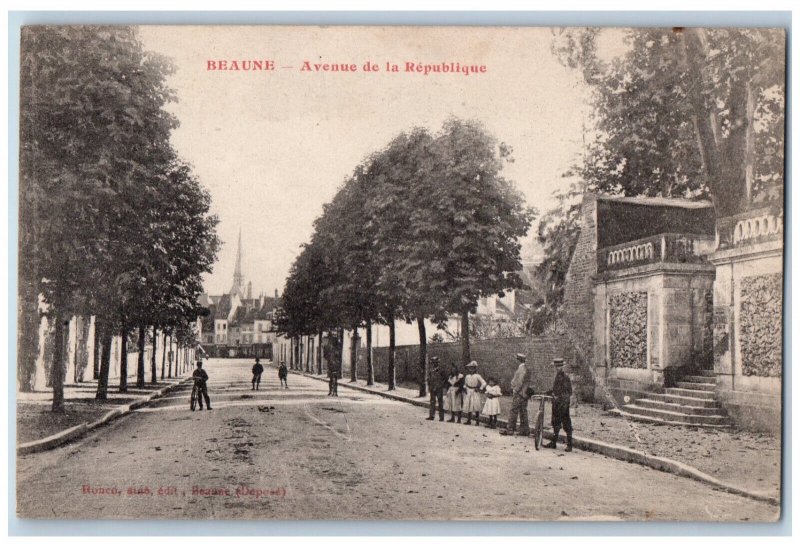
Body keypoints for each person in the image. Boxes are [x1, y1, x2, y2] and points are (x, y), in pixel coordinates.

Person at [544, 358, 573, 452]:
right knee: (556, 423)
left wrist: (560, 399)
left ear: (562, 367)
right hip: (557, 403)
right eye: (556, 367)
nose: (557, 368)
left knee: (566, 423)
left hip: (563, 404)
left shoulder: (565, 377)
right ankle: (554, 442)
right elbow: (556, 390)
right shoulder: (558, 376)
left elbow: (568, 392)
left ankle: (569, 445)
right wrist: (549, 392)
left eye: (559, 367)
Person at [500, 353, 531, 436]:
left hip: (519, 393)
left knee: (513, 411)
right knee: (523, 411)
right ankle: (525, 430)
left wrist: (516, 390)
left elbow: (520, 381)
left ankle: (510, 429)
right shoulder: (526, 369)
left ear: (518, 360)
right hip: (524, 394)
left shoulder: (521, 369)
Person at [462, 361, 487, 425]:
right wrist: (465, 388)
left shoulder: (477, 376)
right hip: (469, 391)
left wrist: (480, 388)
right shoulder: (467, 376)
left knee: (476, 405)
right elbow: (465, 384)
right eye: (470, 368)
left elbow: (484, 383)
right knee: (469, 405)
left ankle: (477, 421)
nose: (471, 369)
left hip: (474, 391)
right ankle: (469, 420)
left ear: (475, 368)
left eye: (473, 368)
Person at [426, 356, 448, 421]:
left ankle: (441, 417)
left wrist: (440, 386)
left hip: (439, 388)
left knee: (440, 402)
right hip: (432, 388)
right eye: (433, 362)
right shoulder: (431, 370)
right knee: (432, 402)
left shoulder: (441, 370)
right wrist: (429, 385)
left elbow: (444, 379)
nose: (434, 363)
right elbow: (429, 378)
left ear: (438, 362)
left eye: (436, 362)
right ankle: (431, 416)